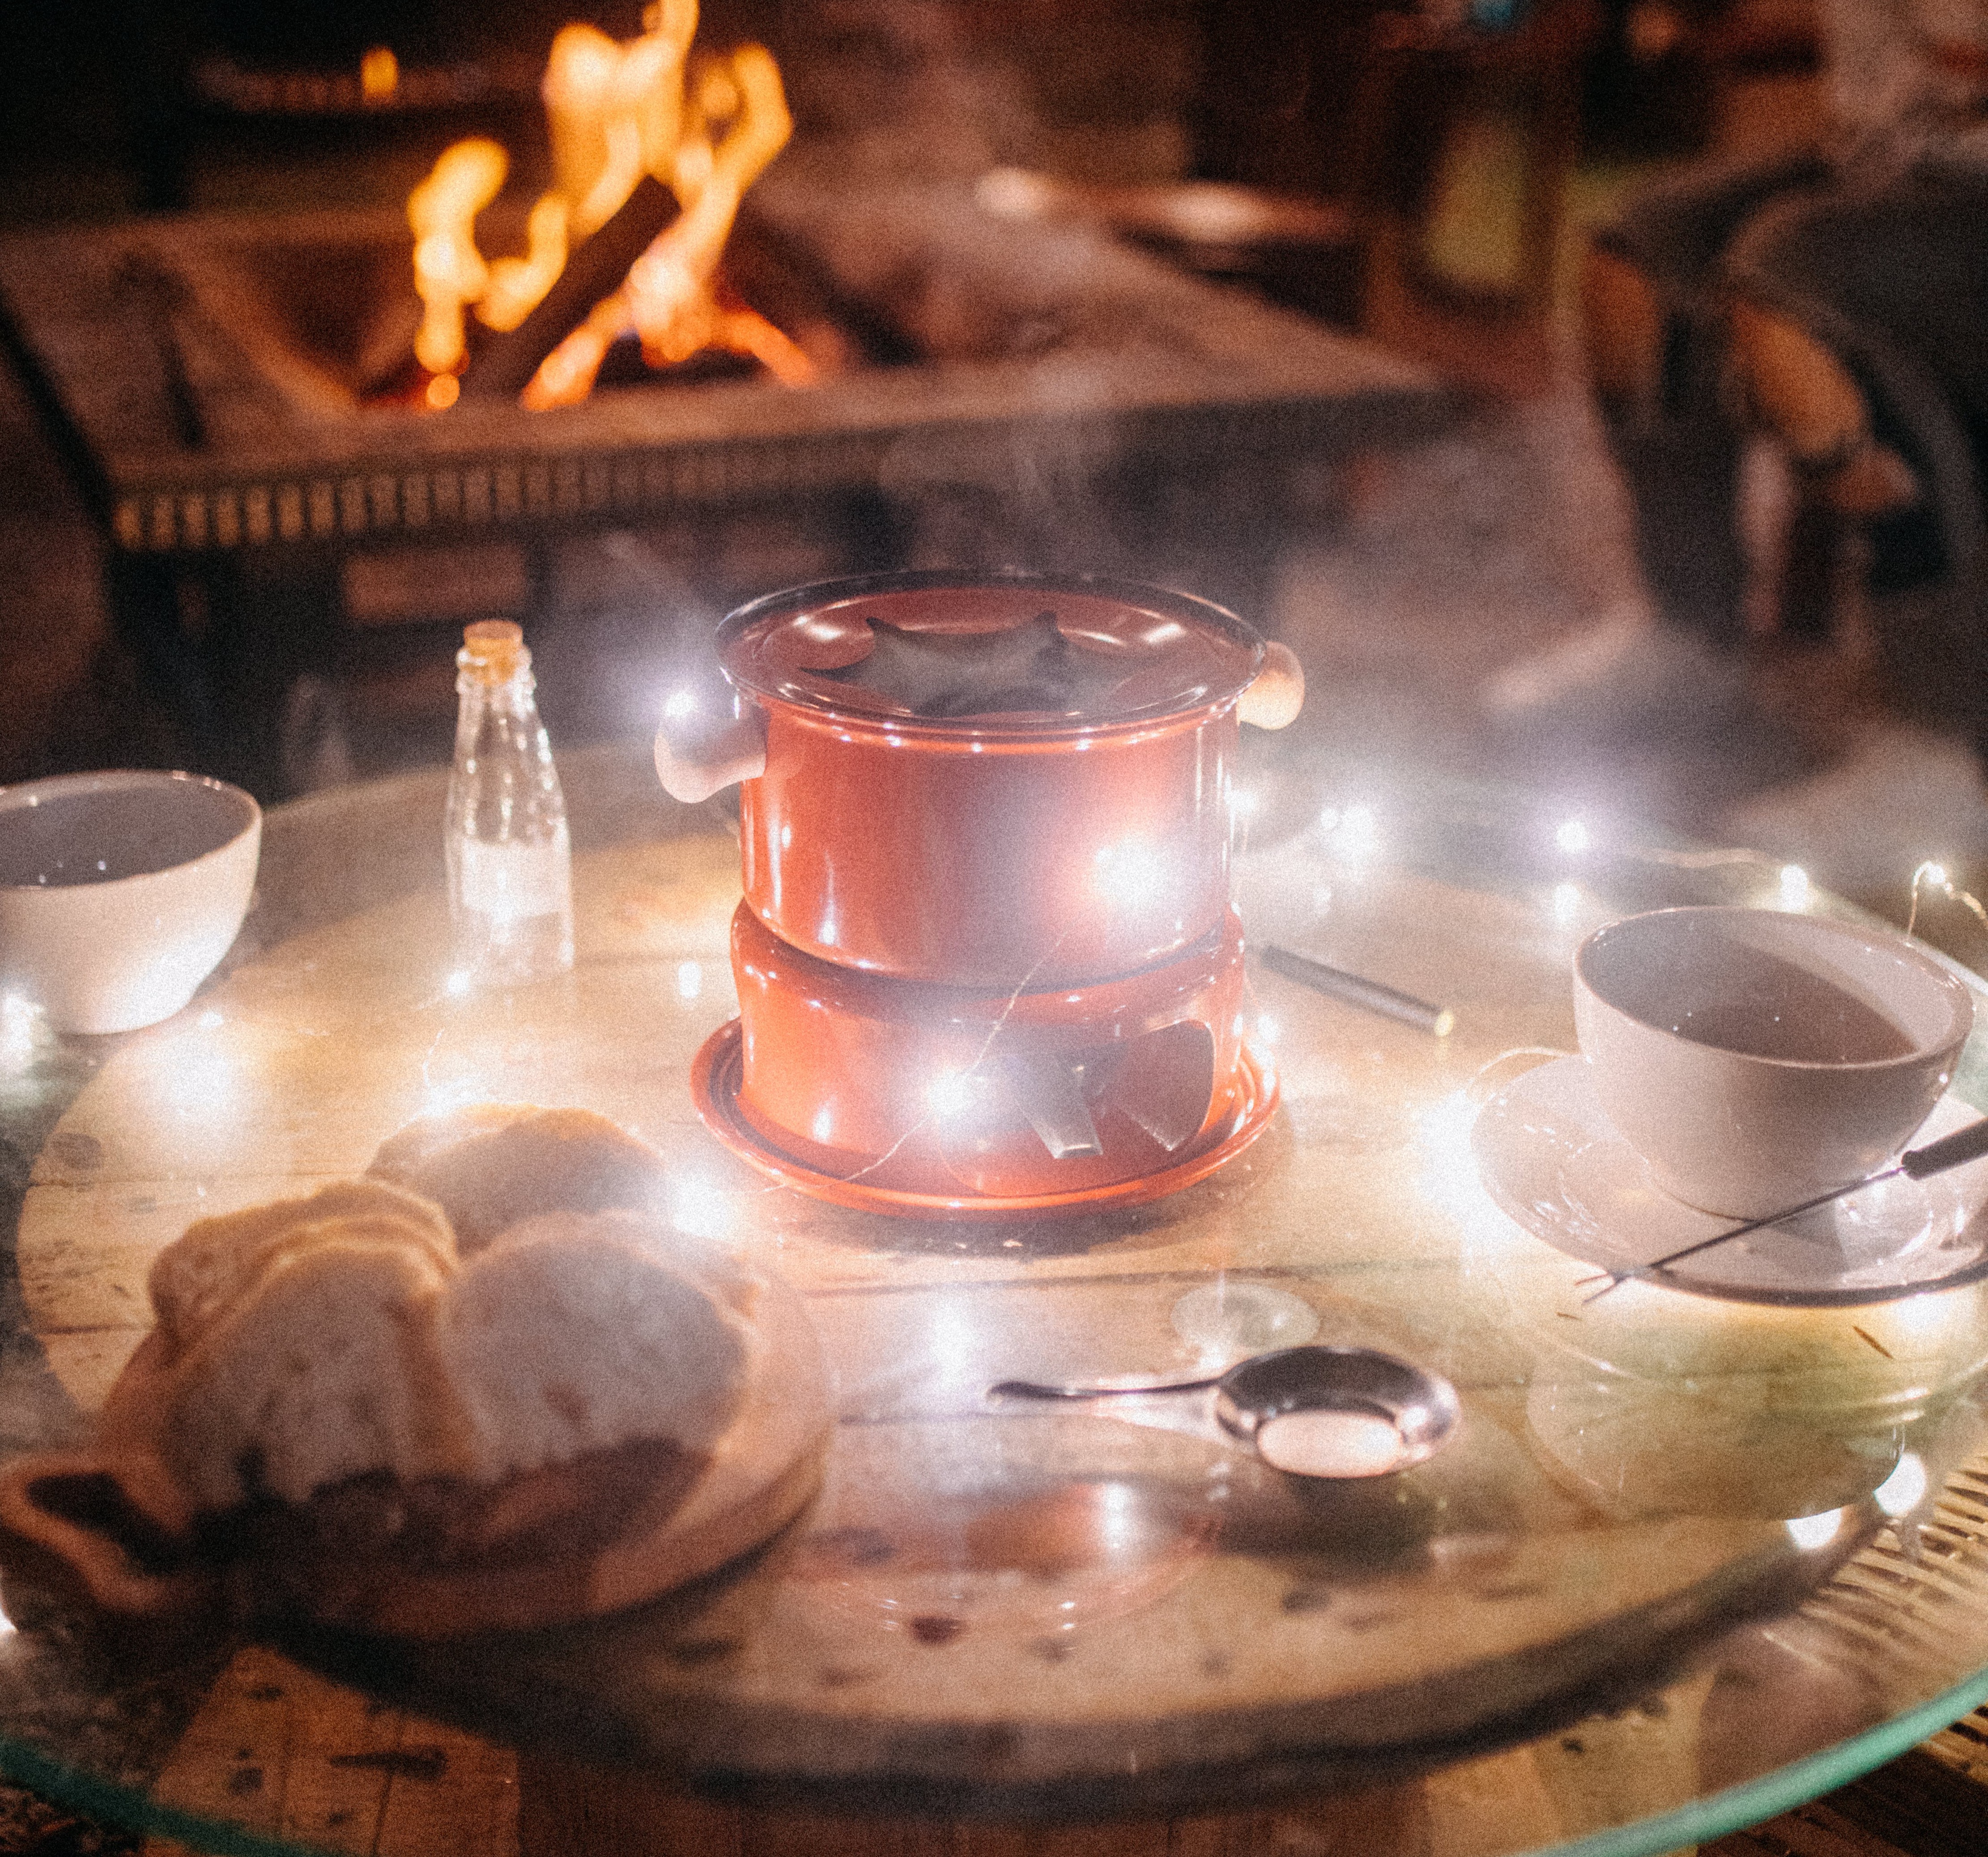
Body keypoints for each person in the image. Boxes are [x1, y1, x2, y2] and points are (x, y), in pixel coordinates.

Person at [1578, 0, 1988, 732]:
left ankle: (1947, 727)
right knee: (1645, 247)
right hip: (1884, 152)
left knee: (1793, 284)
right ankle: (1693, 635)